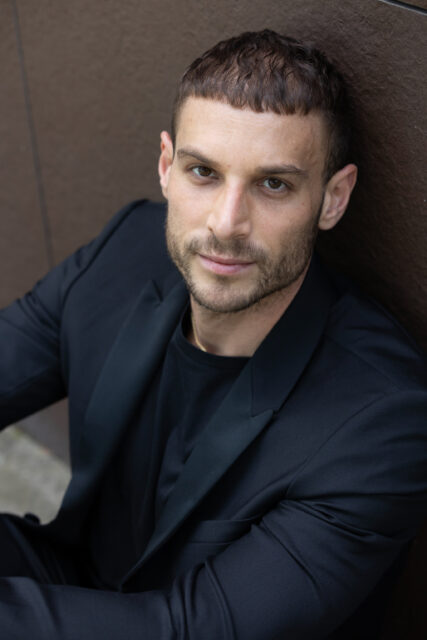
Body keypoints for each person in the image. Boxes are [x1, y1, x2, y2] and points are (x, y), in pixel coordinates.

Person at [0, 29, 426, 640]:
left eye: (273, 184)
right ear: (167, 166)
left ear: (333, 199)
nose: (227, 224)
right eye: (204, 172)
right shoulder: (127, 250)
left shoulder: (382, 420)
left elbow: (191, 629)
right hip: (75, 581)